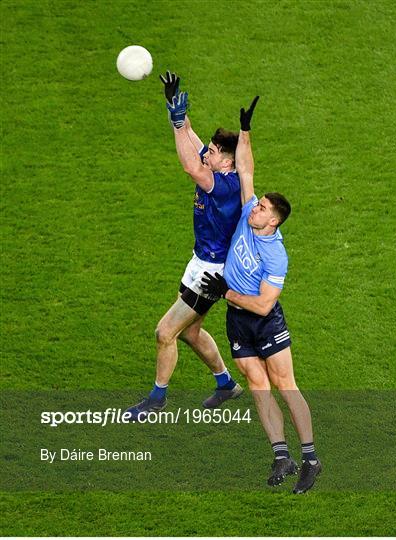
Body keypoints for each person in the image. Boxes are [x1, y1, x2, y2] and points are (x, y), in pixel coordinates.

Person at [200, 97, 322, 494]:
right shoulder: (251, 210)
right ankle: (280, 455)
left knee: (285, 384)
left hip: (263, 318)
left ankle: (310, 459)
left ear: (273, 220)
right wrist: (246, 130)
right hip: (237, 317)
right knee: (257, 385)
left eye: (262, 209)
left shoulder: (276, 253)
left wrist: (228, 293)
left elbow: (265, 304)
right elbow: (247, 170)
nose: (253, 209)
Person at [126, 72, 243, 419]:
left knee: (165, 332)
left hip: (211, 273)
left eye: (216, 152)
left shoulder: (224, 186)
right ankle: (225, 385)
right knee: (191, 332)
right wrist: (174, 107)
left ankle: (157, 399)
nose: (209, 152)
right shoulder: (217, 163)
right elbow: (191, 139)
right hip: (200, 262)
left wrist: (178, 126)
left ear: (229, 162)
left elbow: (192, 165)